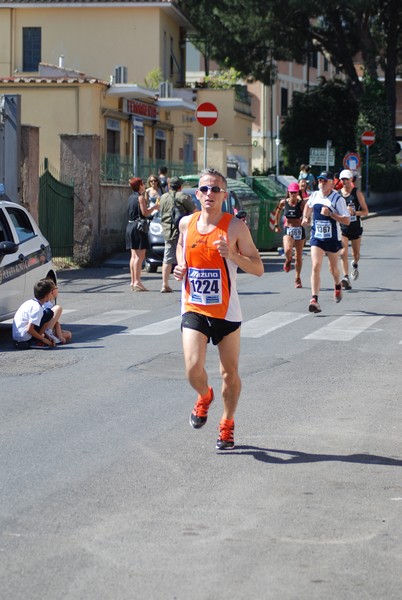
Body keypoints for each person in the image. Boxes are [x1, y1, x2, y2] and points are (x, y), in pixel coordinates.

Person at [173, 168, 264, 450]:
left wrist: (232, 254)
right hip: (194, 306)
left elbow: (258, 268)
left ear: (224, 195)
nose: (209, 194)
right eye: (204, 189)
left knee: (229, 374)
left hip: (226, 311)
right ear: (197, 194)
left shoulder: (235, 227)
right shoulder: (186, 223)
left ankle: (227, 423)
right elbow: (180, 246)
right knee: (192, 367)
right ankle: (204, 395)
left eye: (215, 189)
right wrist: (181, 265)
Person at [301, 171, 350, 313]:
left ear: (331, 183)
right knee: (315, 266)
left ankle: (337, 286)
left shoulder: (337, 199)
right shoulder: (315, 195)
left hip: (332, 239)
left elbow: (346, 220)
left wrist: (331, 214)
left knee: (333, 269)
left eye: (324, 180)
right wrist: (305, 217)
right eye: (319, 180)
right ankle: (314, 300)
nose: (321, 183)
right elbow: (308, 206)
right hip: (317, 237)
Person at [159, 176, 196, 293]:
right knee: (185, 257)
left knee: (167, 258)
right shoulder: (183, 196)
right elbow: (195, 211)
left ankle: (165, 284)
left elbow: (161, 213)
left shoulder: (163, 197)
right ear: (180, 186)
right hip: (182, 231)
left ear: (170, 186)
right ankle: (188, 284)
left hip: (167, 231)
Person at [126, 177, 159, 292]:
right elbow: (145, 213)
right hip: (138, 228)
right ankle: (137, 282)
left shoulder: (131, 198)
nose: (144, 185)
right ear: (140, 186)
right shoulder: (140, 197)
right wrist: (155, 207)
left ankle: (132, 281)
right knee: (140, 256)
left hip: (130, 226)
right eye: (143, 184)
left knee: (133, 256)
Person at [338, 169, 369, 289]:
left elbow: (366, 212)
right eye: (342, 179)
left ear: (351, 180)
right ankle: (345, 277)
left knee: (355, 254)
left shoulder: (357, 193)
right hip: (343, 228)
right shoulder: (338, 194)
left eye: (346, 179)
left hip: (355, 227)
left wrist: (354, 212)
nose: (344, 181)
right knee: (343, 252)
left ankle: (355, 264)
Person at [12, 279, 65, 349]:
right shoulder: (37, 308)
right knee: (49, 313)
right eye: (51, 292)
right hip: (24, 337)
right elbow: (29, 329)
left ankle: (37, 338)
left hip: (18, 336)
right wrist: (43, 339)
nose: (52, 294)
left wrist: (47, 336)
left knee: (47, 314)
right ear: (47, 295)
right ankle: (36, 341)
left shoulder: (30, 302)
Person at [274, 182, 307, 288]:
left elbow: (307, 214)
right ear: (288, 192)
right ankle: (288, 260)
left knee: (298, 256)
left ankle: (297, 278)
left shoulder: (301, 204)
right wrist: (276, 224)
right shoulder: (284, 202)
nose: (293, 194)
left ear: (298, 192)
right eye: (291, 192)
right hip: (288, 229)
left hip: (299, 230)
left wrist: (306, 220)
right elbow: (277, 212)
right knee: (287, 250)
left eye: (295, 192)